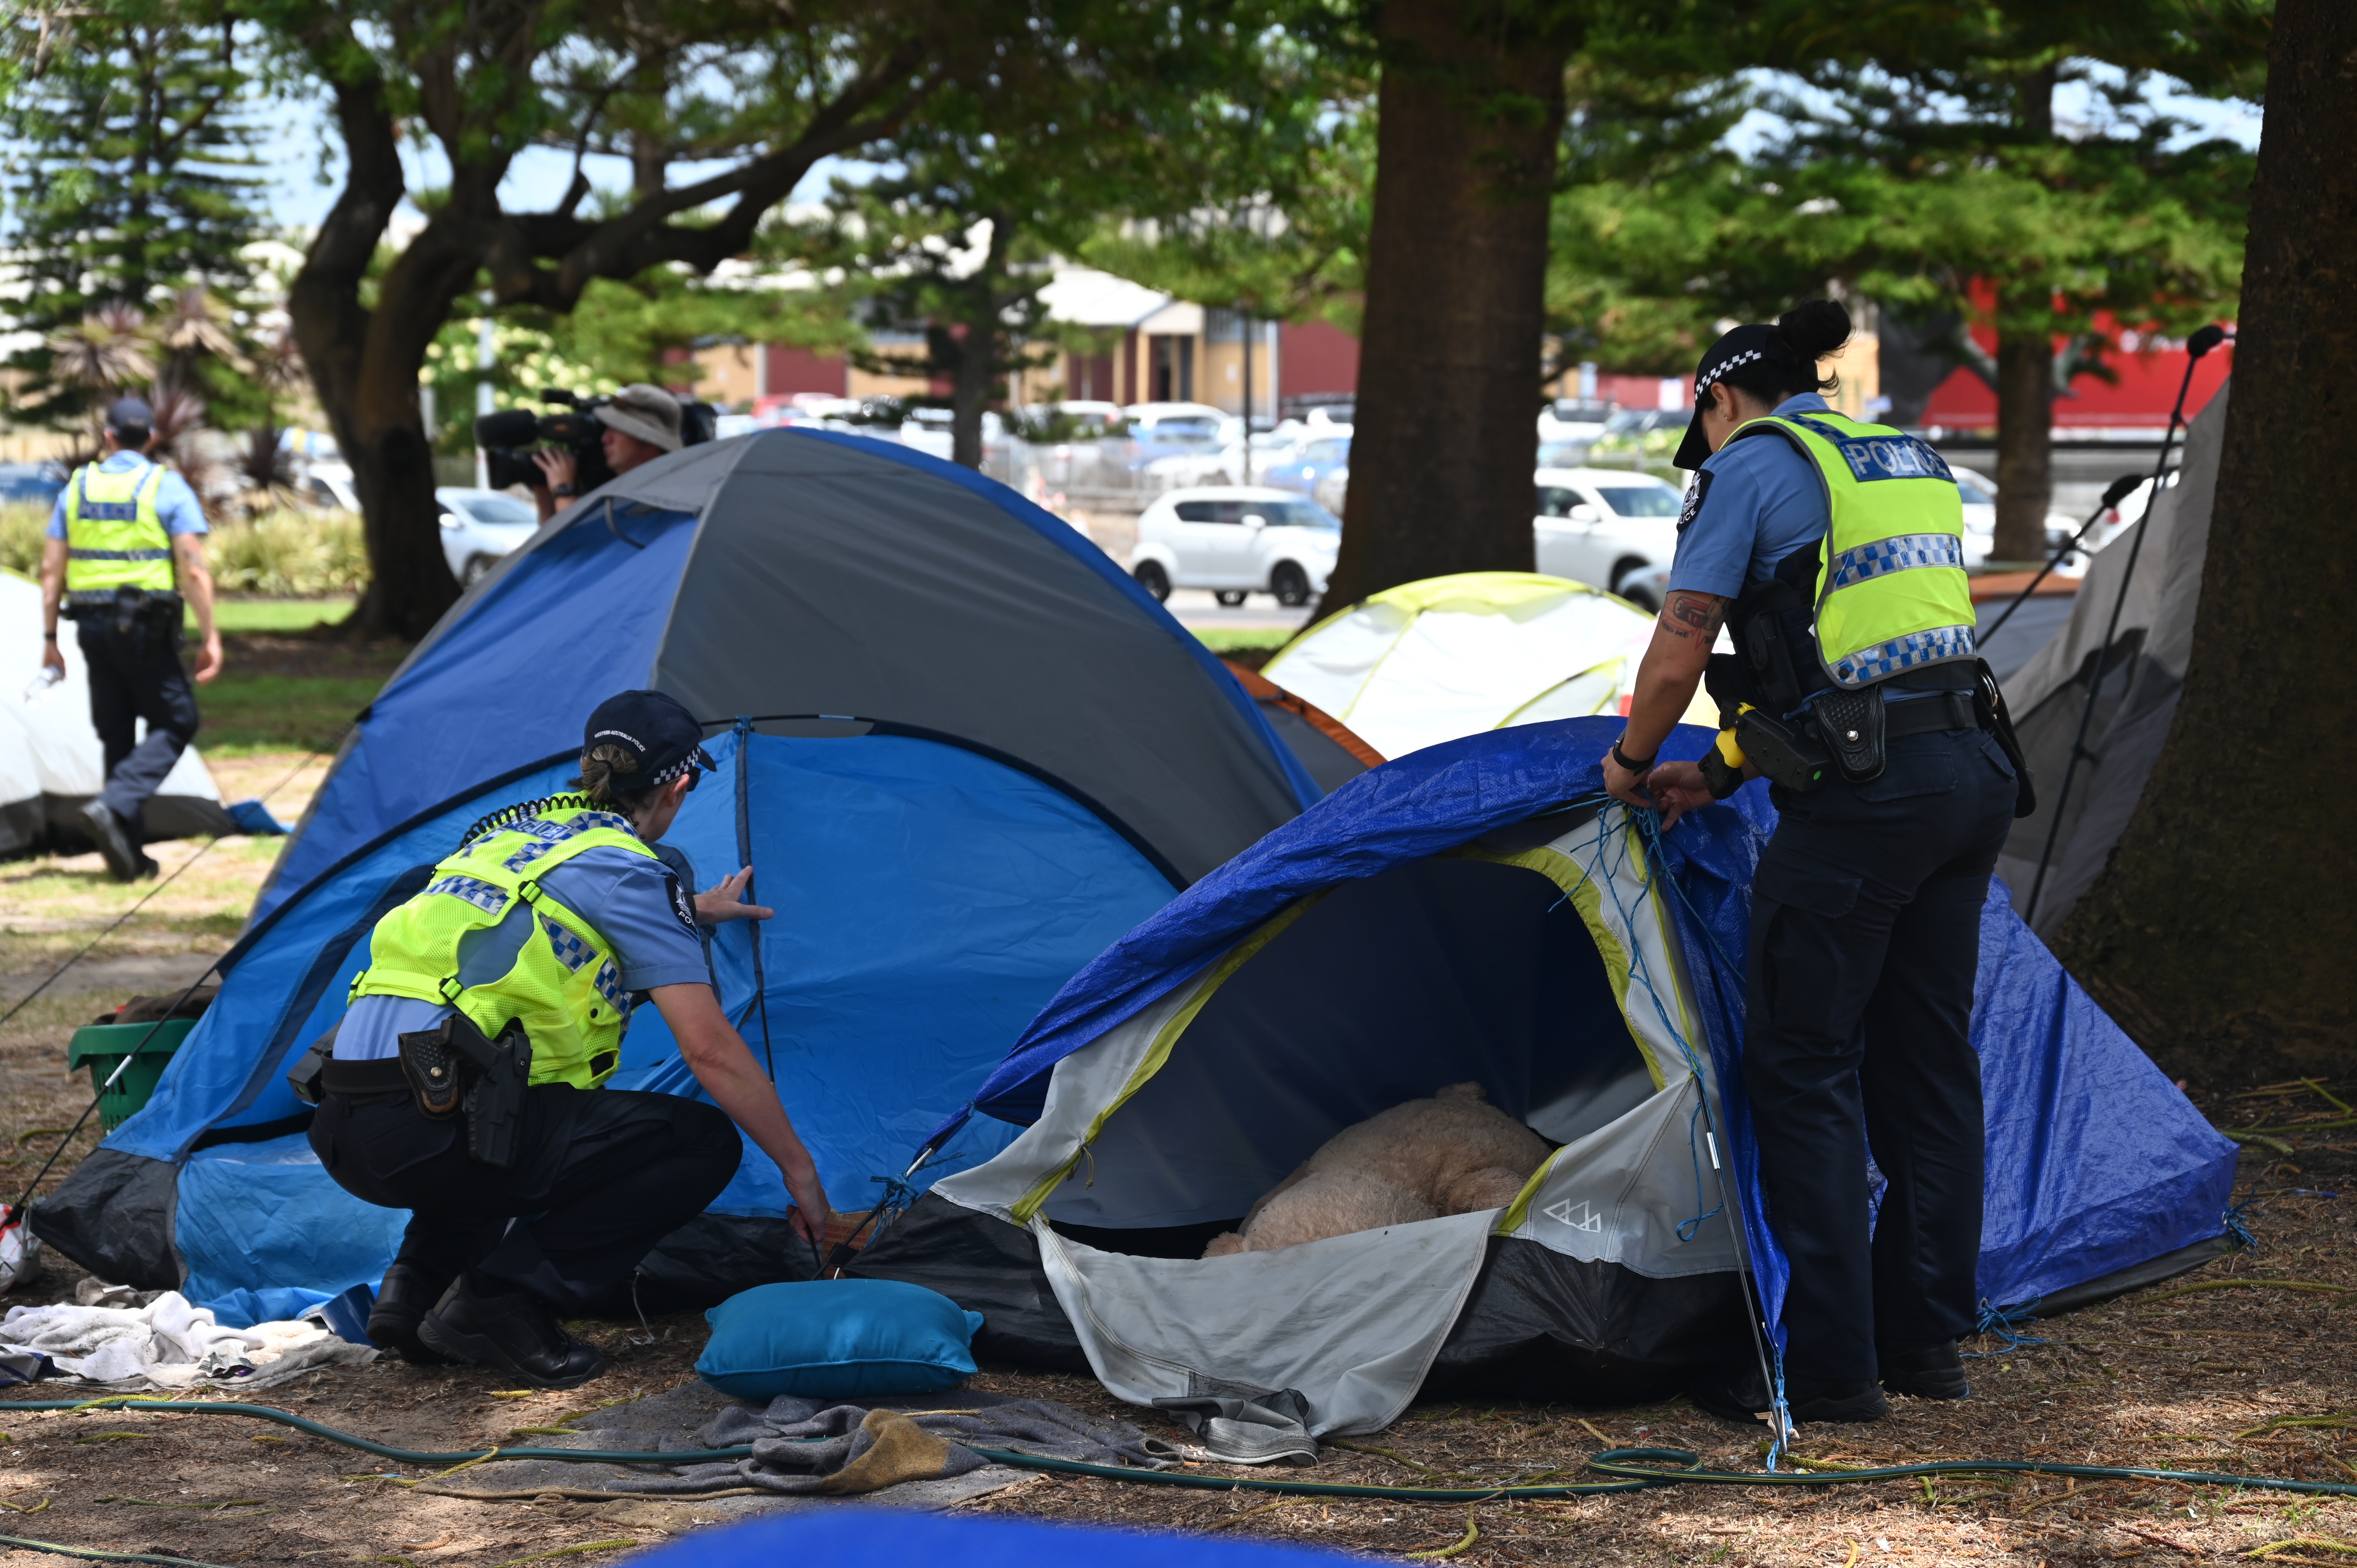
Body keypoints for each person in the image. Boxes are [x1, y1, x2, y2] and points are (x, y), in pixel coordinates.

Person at [1601, 301, 2018, 1426]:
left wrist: (1638, 760)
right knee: (1927, 1065)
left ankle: (1828, 1370)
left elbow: (1685, 637)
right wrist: (1728, 768)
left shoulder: (1754, 463)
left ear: (1721, 402)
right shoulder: (1903, 456)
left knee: (1804, 1066)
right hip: (1970, 769)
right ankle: (1926, 1342)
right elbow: (1874, 655)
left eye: (1710, 426)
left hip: (1867, 806)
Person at [307, 689, 834, 1388]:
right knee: (697, 1141)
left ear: (590, 766)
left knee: (505, 1102)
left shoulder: (508, 841)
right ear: (680, 784)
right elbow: (709, 1049)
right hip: (425, 1135)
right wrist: (801, 1173)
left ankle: (413, 1290)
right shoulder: (632, 872)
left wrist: (690, 911)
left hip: (344, 1123)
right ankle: (504, 1302)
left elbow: (537, 921)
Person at [36, 396, 223, 881]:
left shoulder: (76, 488)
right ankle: (114, 806)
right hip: (145, 626)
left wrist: (50, 637)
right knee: (177, 719)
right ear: (153, 439)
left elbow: (50, 568)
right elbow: (194, 567)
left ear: (108, 436)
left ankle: (129, 857)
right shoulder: (165, 486)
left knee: (116, 734)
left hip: (92, 627)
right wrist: (211, 635)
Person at [531, 383, 683, 521]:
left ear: (649, 441)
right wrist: (545, 495)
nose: (605, 439)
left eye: (616, 429)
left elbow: (589, 544)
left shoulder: (664, 497)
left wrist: (563, 491)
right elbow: (556, 549)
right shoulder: (627, 490)